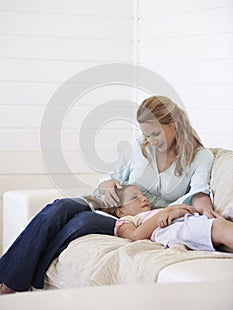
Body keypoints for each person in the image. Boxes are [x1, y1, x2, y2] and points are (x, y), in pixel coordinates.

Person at [0, 95, 220, 294]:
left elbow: (199, 191)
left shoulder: (199, 157)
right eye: (146, 134)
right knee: (59, 208)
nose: (151, 141)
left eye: (155, 134)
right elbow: (112, 175)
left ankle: (10, 285)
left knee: (81, 223)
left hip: (131, 218)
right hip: (108, 200)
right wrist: (106, 183)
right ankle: (8, 277)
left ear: (174, 125)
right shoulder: (139, 146)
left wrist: (206, 208)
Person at [110, 185, 233, 252]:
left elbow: (191, 210)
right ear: (121, 212)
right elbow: (135, 236)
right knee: (220, 228)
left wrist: (177, 212)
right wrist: (167, 211)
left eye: (143, 196)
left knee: (221, 232)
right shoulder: (128, 220)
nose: (144, 199)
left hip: (189, 220)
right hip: (171, 230)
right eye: (134, 198)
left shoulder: (156, 211)